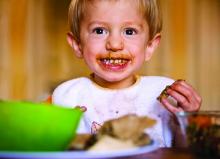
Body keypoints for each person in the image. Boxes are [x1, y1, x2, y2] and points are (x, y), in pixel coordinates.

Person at [52, 0, 202, 147]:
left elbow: (183, 151)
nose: (115, 44)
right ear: (77, 45)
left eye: (129, 31)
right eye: (99, 31)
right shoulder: (69, 96)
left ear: (150, 46)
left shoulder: (166, 95)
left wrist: (187, 120)